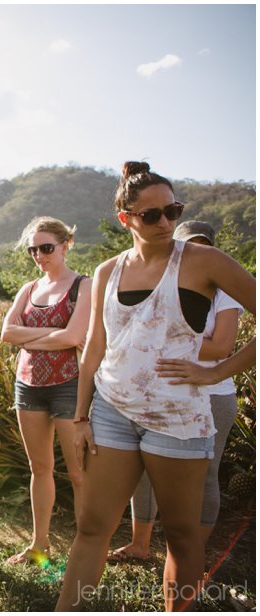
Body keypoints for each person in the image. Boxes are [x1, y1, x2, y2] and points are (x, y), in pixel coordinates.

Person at [56, 162, 255, 611]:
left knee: (182, 538)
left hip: (177, 419)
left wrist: (217, 372)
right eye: (152, 215)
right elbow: (93, 347)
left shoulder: (202, 261)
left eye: (172, 210)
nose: (166, 222)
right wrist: (82, 415)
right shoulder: (107, 270)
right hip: (112, 412)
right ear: (126, 219)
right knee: (91, 529)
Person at [108, 220, 244, 564]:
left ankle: (192, 550)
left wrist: (199, 364)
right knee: (142, 474)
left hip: (212, 394)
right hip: (155, 394)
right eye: (190, 244)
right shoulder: (159, 277)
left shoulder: (223, 288)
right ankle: (140, 543)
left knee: (207, 473)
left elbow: (222, 345)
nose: (196, 251)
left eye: (203, 244)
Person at [0, 217, 91, 565]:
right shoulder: (29, 289)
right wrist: (52, 334)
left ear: (66, 244)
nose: (39, 255)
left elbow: (73, 337)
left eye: (47, 247)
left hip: (69, 385)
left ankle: (84, 548)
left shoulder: (84, 285)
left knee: (78, 471)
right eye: (33, 249)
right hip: (29, 386)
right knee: (40, 468)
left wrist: (33, 337)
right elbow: (8, 333)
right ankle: (40, 544)